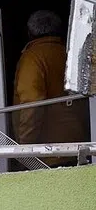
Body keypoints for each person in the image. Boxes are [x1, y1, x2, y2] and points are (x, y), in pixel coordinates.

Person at [12, 10, 88, 157]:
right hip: (77, 142)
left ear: (29, 33)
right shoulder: (71, 54)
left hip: (48, 151)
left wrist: (25, 147)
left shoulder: (33, 58)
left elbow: (32, 104)